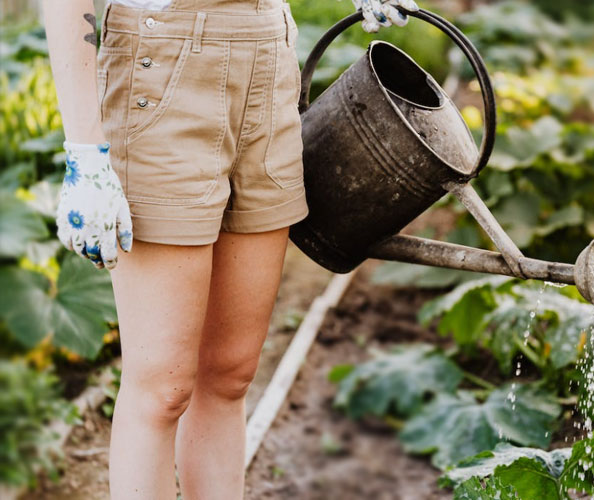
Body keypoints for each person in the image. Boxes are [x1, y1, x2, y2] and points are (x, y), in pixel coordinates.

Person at [41, 0, 416, 498]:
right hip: (162, 67)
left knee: (231, 373)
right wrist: (85, 153)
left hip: (268, 56)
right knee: (163, 389)